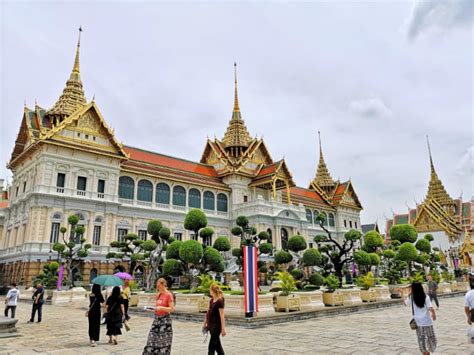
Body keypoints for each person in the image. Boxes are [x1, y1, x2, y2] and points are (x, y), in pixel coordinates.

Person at [143, 278, 175, 355]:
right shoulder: (158, 295)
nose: (157, 287)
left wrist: (161, 308)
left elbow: (172, 309)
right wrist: (153, 309)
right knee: (152, 339)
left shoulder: (169, 295)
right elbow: (157, 307)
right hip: (157, 319)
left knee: (163, 341)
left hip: (165, 320)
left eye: (159, 286)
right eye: (157, 286)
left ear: (163, 285)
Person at [406, 282, 437, 355]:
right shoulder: (425, 296)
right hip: (427, 322)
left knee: (421, 339)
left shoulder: (411, 297)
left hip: (418, 322)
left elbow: (406, 303)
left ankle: (425, 352)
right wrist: (433, 314)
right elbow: (430, 307)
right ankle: (427, 352)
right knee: (430, 337)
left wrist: (404, 293)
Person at [203, 283, 226, 355]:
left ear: (213, 291)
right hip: (211, 326)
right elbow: (208, 312)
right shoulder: (211, 300)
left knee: (211, 347)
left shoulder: (220, 301)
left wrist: (223, 329)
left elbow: (222, 316)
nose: (209, 292)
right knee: (218, 347)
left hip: (216, 326)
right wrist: (205, 323)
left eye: (210, 290)